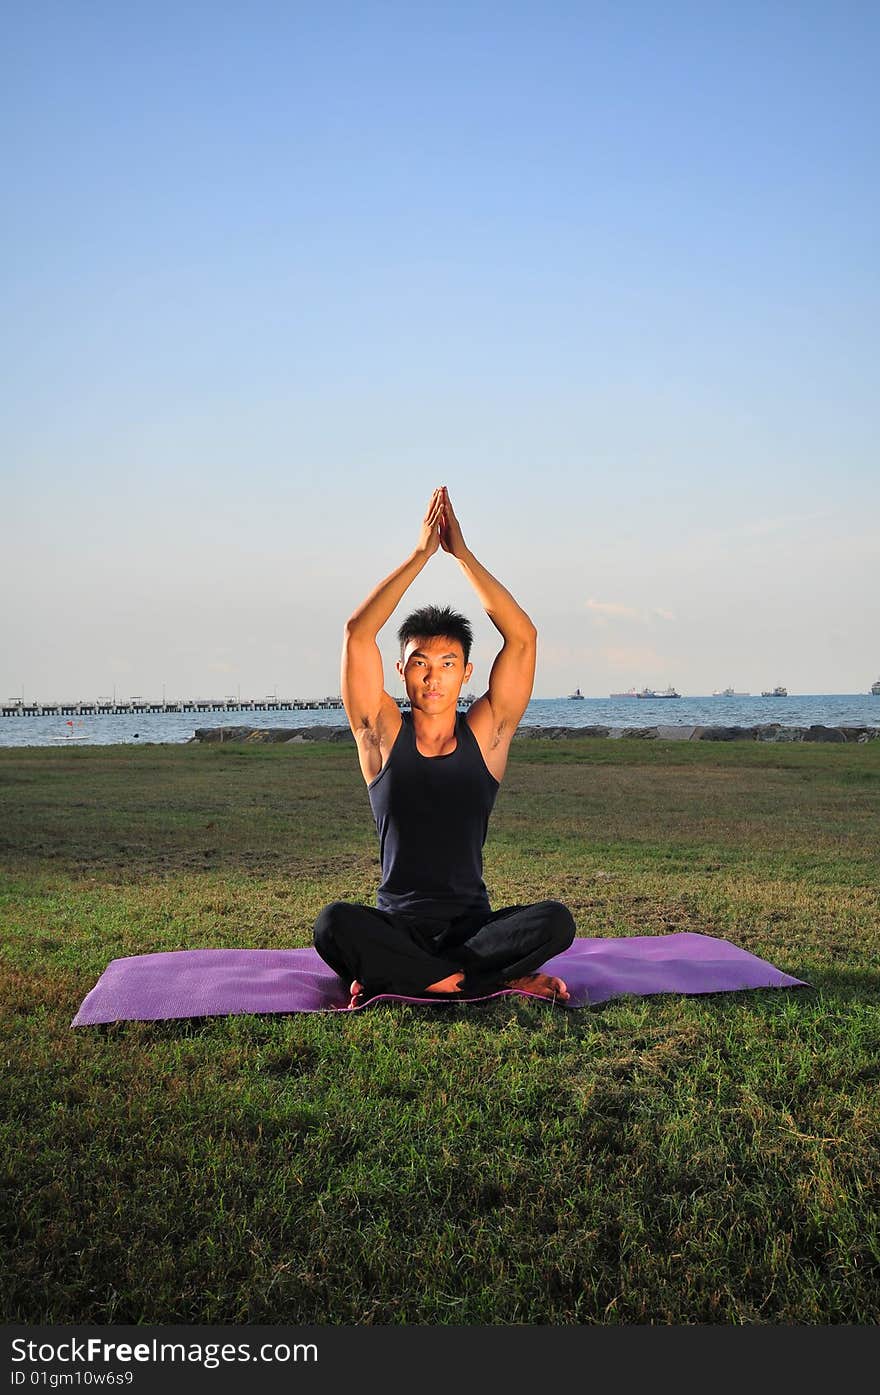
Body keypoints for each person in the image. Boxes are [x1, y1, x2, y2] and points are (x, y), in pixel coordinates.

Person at [313, 486, 576, 1008]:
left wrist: (461, 554)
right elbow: (356, 634)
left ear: (466, 674)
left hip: (472, 930)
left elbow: (522, 638)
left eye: (447, 665)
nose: (433, 679)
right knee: (333, 924)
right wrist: (420, 556)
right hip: (397, 925)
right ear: (402, 671)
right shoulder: (382, 734)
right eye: (419, 664)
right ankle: (482, 982)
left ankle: (412, 978)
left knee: (556, 921)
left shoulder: (487, 734)